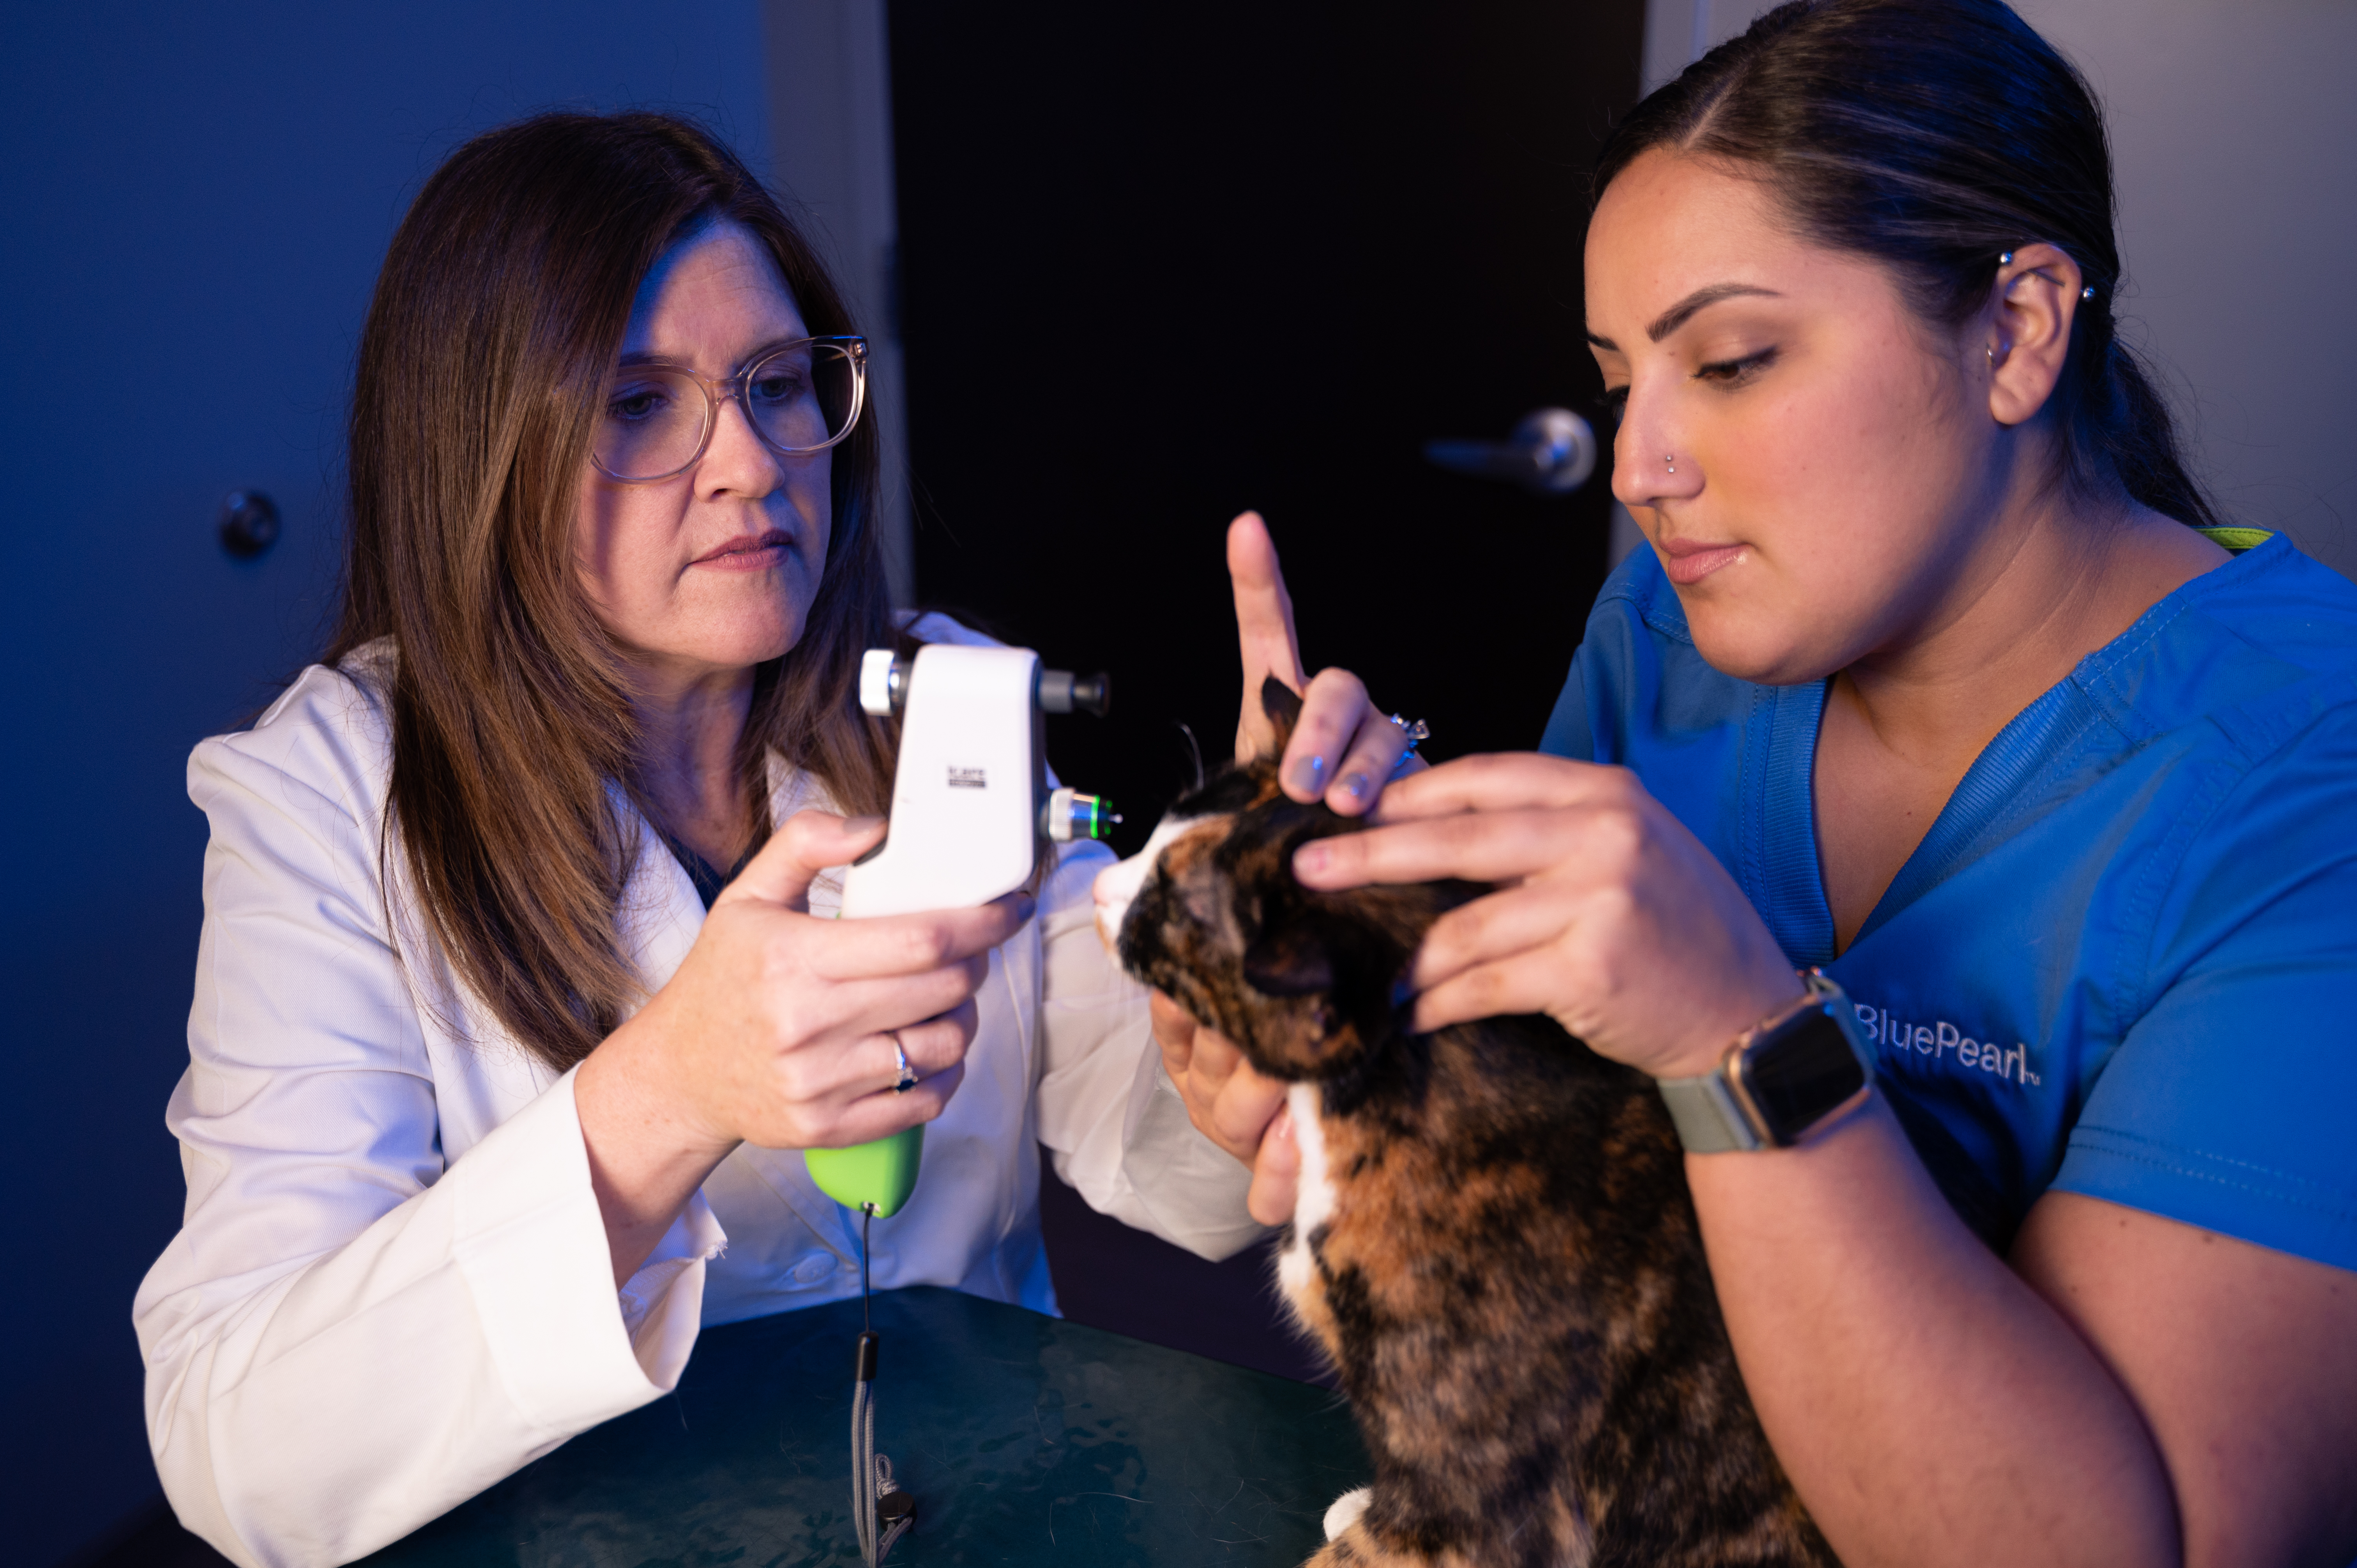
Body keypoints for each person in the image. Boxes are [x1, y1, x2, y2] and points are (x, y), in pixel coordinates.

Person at [1155, 4, 2357, 1564]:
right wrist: (1343, 1010)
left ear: (2018, 330)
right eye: (1618, 380)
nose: (1644, 463)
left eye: (1730, 361)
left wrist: (1743, 1034)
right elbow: (1551, 1221)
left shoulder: (2303, 777)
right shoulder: (1674, 629)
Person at [132, 112, 1289, 1568]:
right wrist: (667, 1094)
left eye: (776, 383)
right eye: (637, 402)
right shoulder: (326, 795)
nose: (750, 461)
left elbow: (1162, 1168)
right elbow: (241, 1457)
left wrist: (1232, 1002)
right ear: (479, 449)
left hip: (987, 1499)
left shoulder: (944, 697)